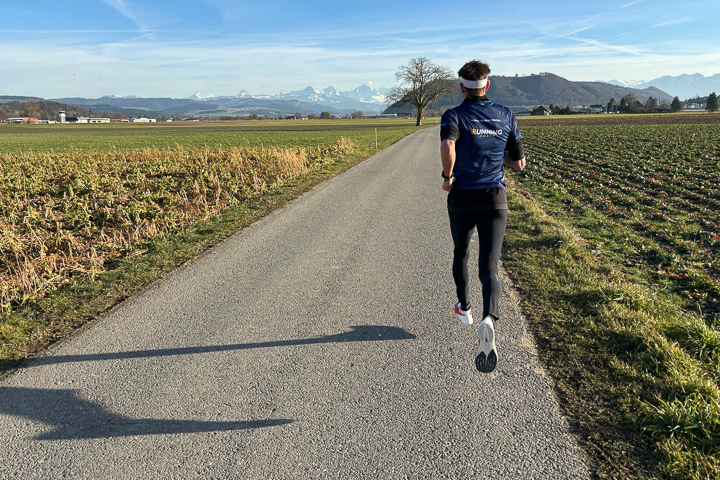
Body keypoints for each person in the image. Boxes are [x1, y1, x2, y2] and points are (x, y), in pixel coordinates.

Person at [440, 60, 526, 373]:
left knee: (461, 252)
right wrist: (496, 153)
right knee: (489, 264)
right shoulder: (506, 115)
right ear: (487, 86)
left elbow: (449, 145)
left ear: (461, 87)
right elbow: (518, 164)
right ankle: (490, 317)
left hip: (462, 196)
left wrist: (447, 176)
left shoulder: (453, 115)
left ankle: (465, 309)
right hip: (495, 197)